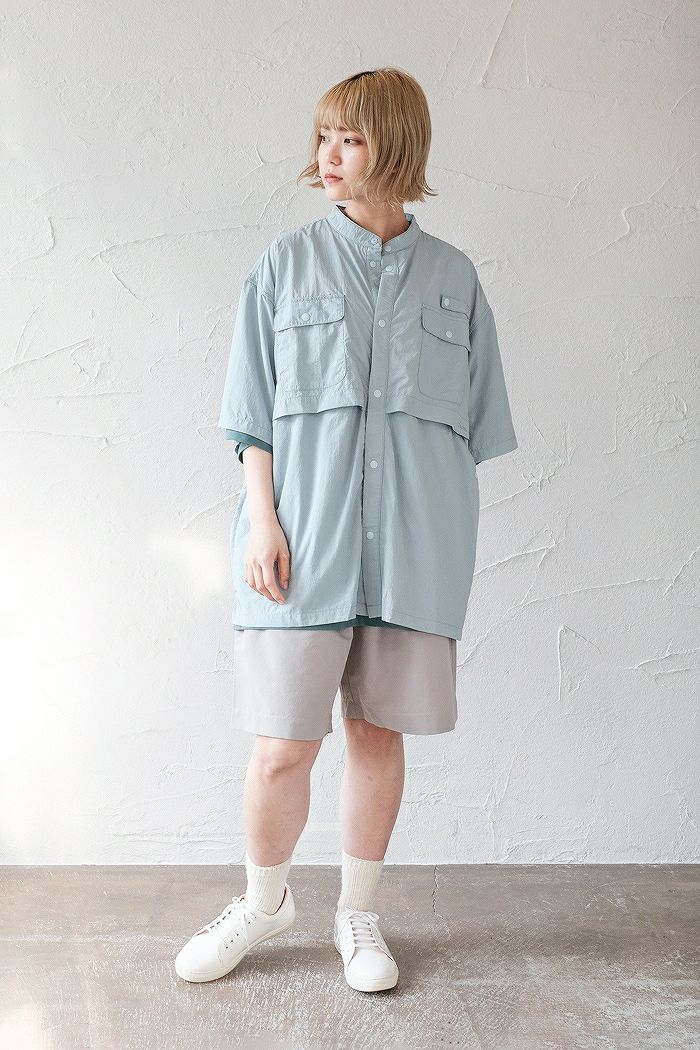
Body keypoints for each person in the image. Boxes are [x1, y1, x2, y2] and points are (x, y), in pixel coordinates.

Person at [175, 67, 518, 993]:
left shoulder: (455, 279)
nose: (328, 155)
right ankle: (264, 902)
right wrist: (263, 520)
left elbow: (475, 428)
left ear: (395, 145)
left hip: (413, 555)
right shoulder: (283, 266)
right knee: (282, 745)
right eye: (324, 136)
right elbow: (249, 413)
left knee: (376, 735)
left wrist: (435, 535)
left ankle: (356, 915)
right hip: (299, 544)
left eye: (351, 139)